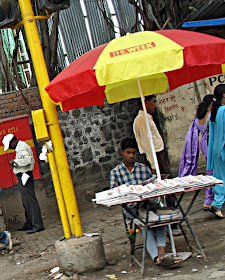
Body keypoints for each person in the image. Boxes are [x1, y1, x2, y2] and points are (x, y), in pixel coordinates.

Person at [110, 138, 182, 268]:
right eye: (128, 153)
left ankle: (161, 253)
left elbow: (153, 187)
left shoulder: (144, 169)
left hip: (149, 205)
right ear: (122, 152)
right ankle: (157, 257)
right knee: (144, 224)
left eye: (134, 153)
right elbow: (114, 195)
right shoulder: (116, 172)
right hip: (131, 209)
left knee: (161, 219)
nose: (131, 156)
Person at [133, 95, 181, 236]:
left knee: (167, 190)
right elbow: (148, 146)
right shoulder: (143, 120)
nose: (155, 105)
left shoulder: (146, 119)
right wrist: (154, 166)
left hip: (157, 156)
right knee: (165, 191)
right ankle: (171, 224)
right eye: (153, 102)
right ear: (145, 102)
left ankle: (172, 222)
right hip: (155, 158)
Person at [2, 134, 44, 234]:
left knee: (30, 201)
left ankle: (37, 225)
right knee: (26, 201)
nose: (11, 148)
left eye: (10, 145)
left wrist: (15, 161)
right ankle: (29, 223)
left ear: (13, 142)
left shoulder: (22, 147)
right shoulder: (20, 147)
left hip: (25, 175)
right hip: (23, 175)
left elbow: (28, 160)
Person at [178, 95, 214, 211]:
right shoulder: (211, 116)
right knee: (214, 172)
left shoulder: (198, 119)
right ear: (211, 104)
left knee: (210, 172)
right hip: (212, 143)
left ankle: (209, 199)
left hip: (204, 144)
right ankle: (209, 200)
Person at [207, 84, 225, 219]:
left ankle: (217, 203)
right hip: (223, 149)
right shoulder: (223, 110)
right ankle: (217, 203)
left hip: (216, 150)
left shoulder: (215, 110)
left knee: (220, 178)